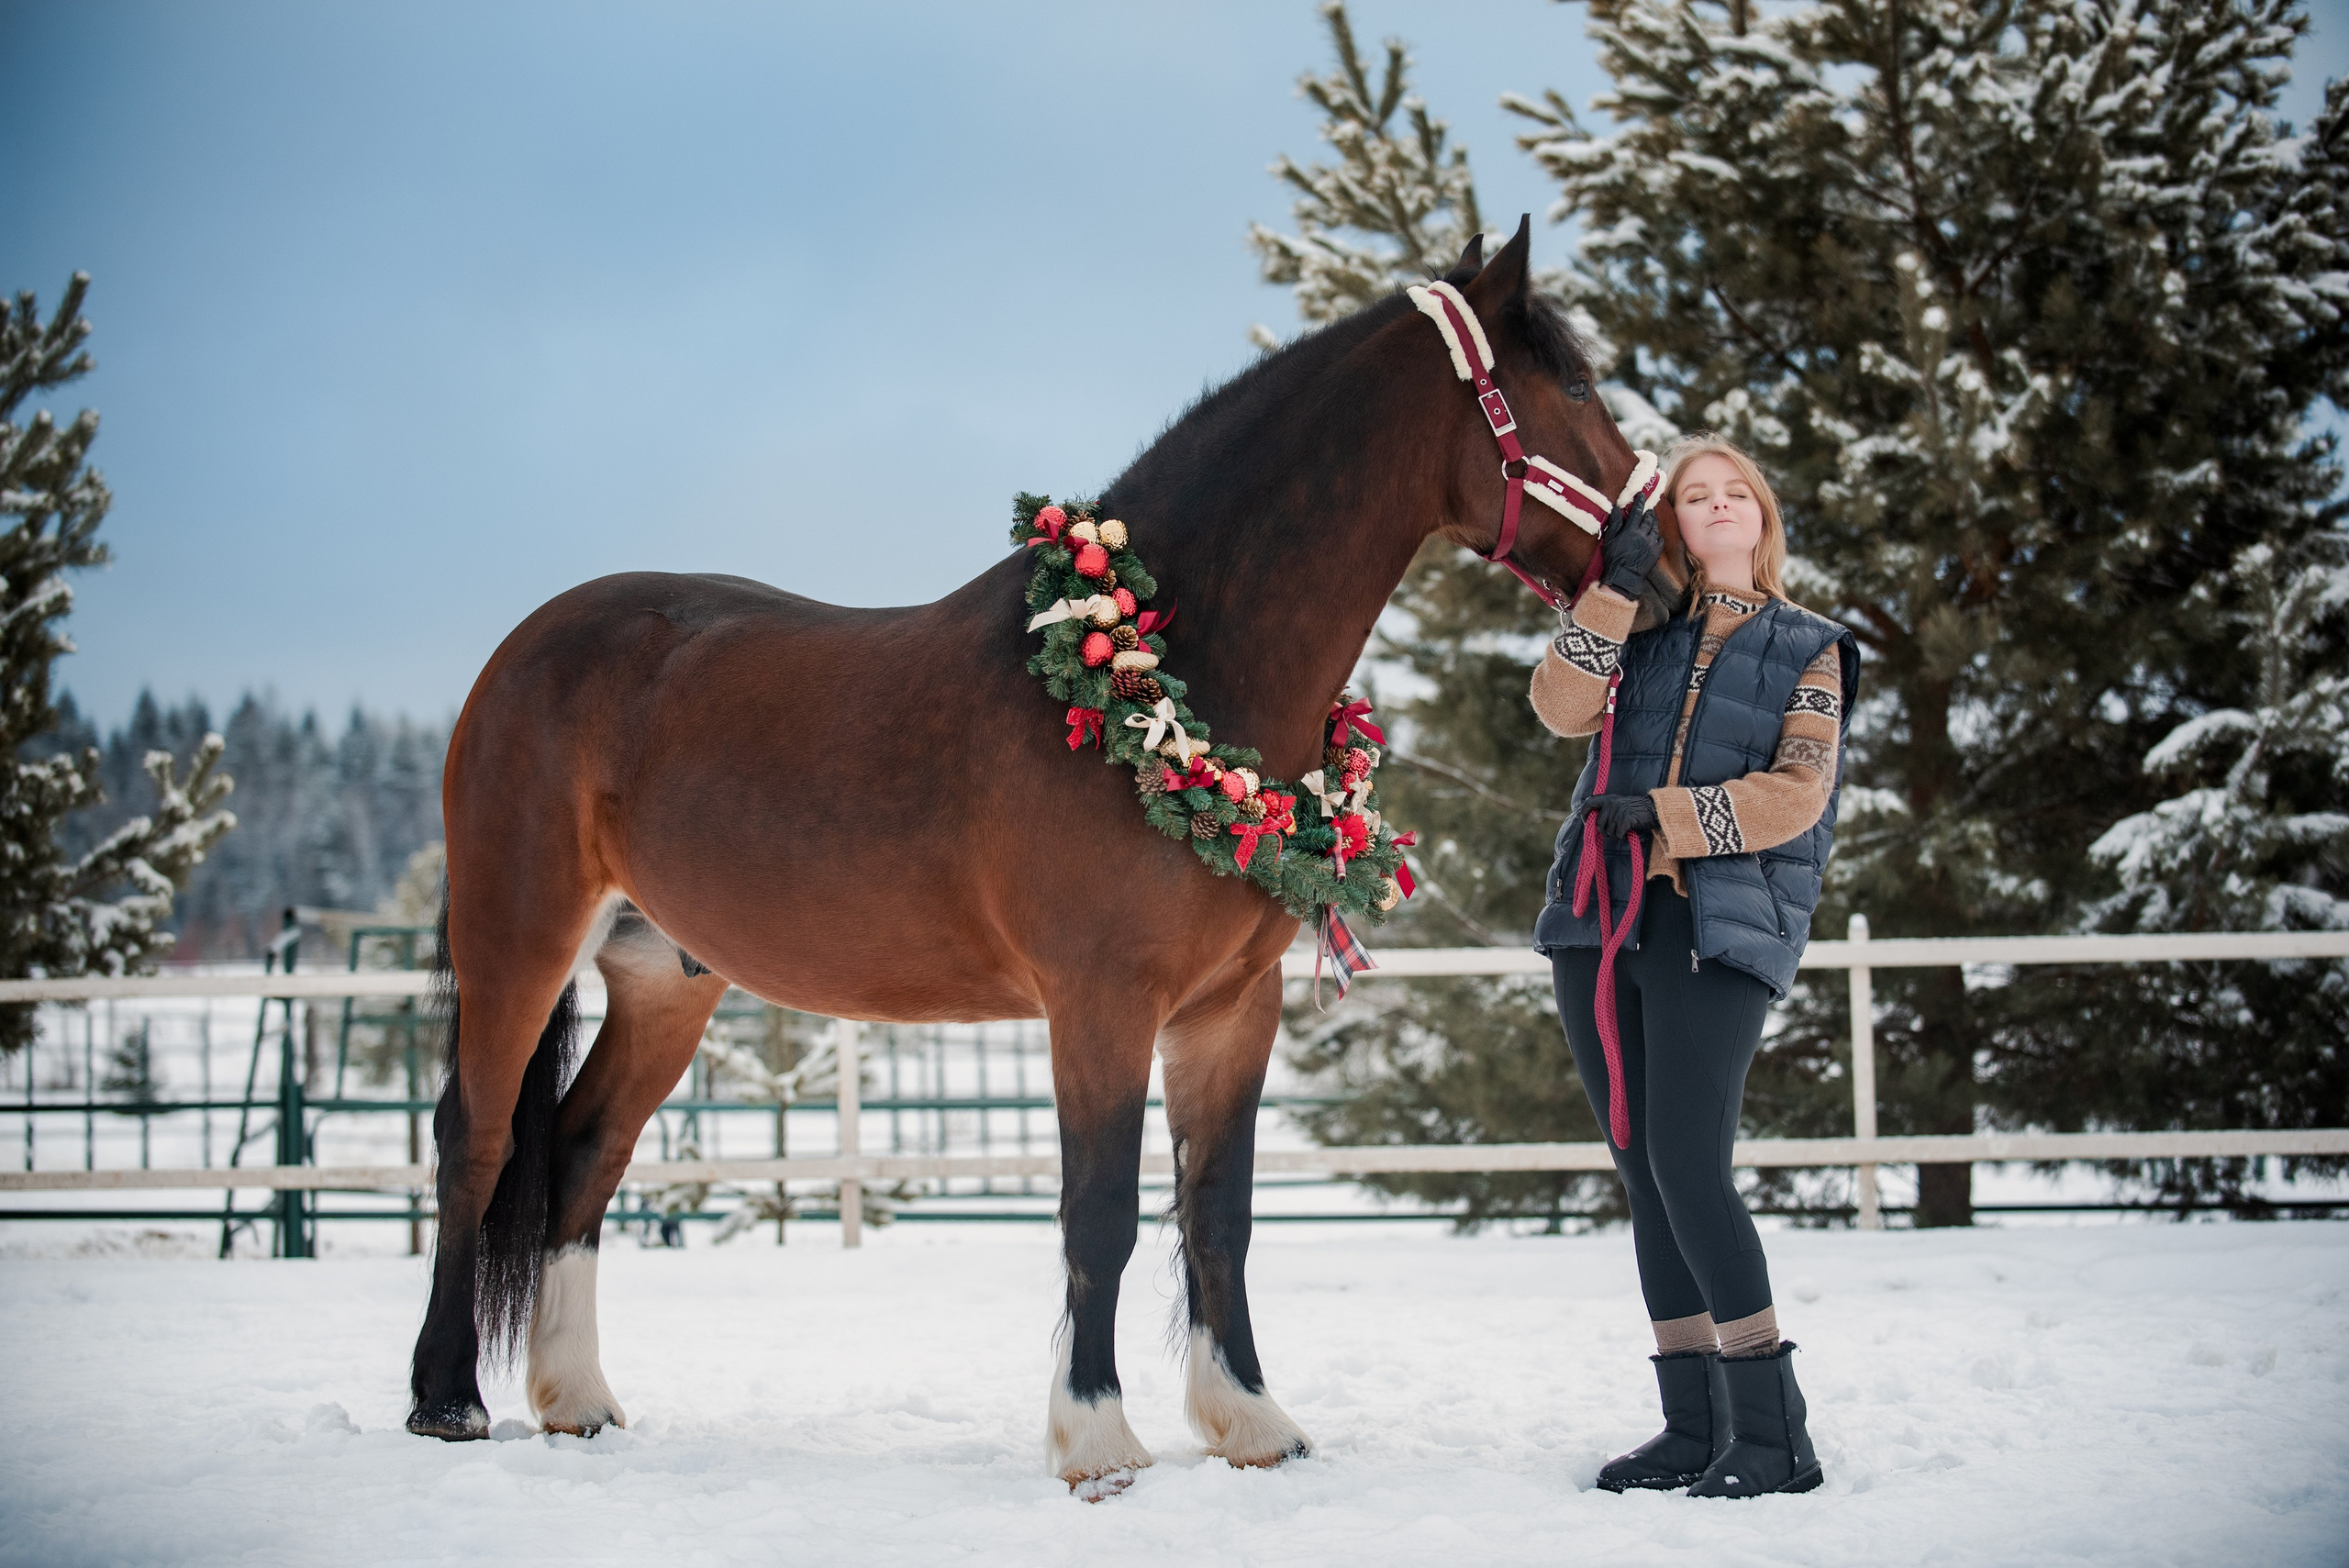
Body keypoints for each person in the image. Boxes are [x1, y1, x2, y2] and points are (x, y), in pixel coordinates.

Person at [1528, 433, 1858, 1498]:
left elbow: (1795, 793)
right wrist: (1612, 590)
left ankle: (1773, 1435)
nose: (1716, 506)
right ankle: (1693, 1423)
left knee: (1687, 1163)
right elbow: (1558, 707)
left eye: (1734, 492)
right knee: (1640, 1165)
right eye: (1693, 496)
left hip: (1717, 925)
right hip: (1598, 918)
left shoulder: (1810, 645)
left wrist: (1669, 815)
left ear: (1761, 515)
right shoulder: (1639, 634)